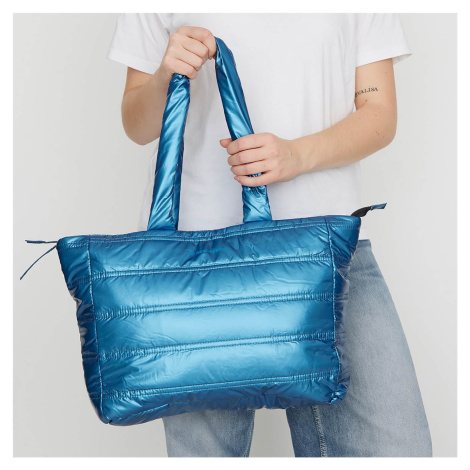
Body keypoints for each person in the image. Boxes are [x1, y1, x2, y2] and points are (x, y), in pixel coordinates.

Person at [107, 13, 433, 457]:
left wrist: (296, 155)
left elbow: (379, 115)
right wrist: (166, 75)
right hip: (192, 269)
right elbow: (137, 125)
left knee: (396, 449)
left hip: (328, 250)